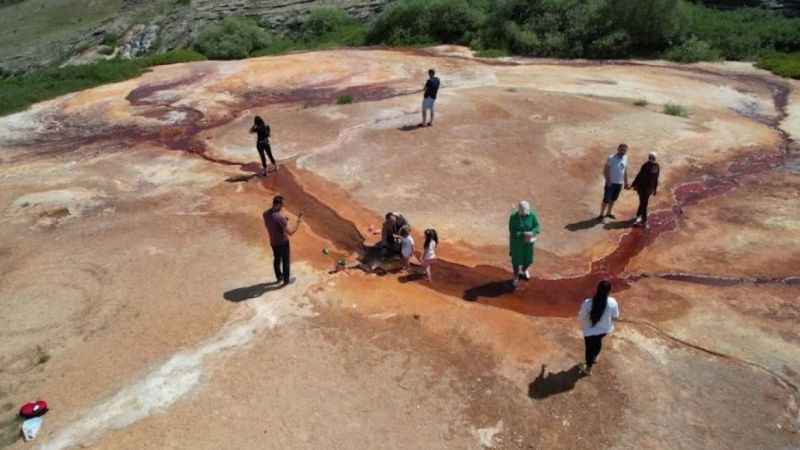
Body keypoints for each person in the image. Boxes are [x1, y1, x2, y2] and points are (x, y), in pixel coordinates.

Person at [578, 280, 620, 375]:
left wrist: (583, 324)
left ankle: (588, 368)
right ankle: (595, 358)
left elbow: (581, 317)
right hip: (604, 330)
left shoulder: (588, 303)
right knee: (597, 342)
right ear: (609, 291)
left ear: (597, 289)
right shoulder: (613, 302)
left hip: (589, 331)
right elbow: (615, 317)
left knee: (589, 349)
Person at [263, 195, 303, 286]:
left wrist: (284, 221)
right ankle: (286, 281)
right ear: (278, 205)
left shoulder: (265, 214)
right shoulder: (279, 218)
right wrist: (298, 221)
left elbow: (270, 224)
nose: (283, 207)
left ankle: (279, 277)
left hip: (273, 241)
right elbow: (291, 232)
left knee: (277, 259)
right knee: (285, 261)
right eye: (282, 205)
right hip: (283, 242)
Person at [509, 201, 540, 287]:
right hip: (517, 244)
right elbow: (512, 232)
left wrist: (532, 232)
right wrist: (523, 234)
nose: (525, 214)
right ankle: (515, 276)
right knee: (516, 261)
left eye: (526, 212)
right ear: (519, 211)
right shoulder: (513, 217)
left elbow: (537, 226)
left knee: (528, 260)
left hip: (528, 243)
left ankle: (524, 270)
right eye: (523, 213)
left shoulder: (532, 216)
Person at [599, 144, 629, 223]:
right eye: (622, 150)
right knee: (606, 199)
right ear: (618, 149)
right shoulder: (611, 158)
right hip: (611, 183)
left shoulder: (625, 158)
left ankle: (608, 213)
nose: (623, 152)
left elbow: (625, 170)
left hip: (619, 183)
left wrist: (626, 182)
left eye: (624, 151)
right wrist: (608, 181)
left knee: (613, 199)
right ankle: (601, 215)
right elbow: (605, 170)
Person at [629, 152, 660, 228]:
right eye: (650, 157)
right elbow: (639, 175)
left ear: (655, 158)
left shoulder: (656, 166)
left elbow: (656, 178)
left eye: (653, 158)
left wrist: (655, 189)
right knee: (644, 203)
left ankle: (638, 216)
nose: (651, 159)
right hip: (641, 188)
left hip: (649, 189)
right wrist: (633, 184)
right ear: (648, 157)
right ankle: (644, 221)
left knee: (643, 203)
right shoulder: (645, 165)